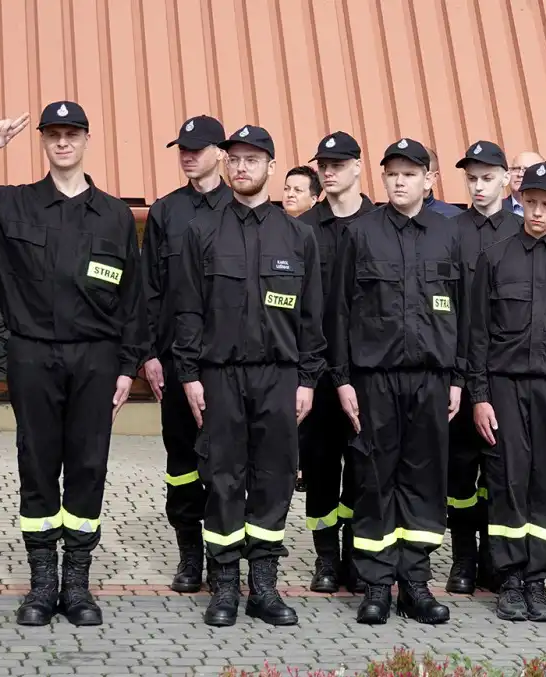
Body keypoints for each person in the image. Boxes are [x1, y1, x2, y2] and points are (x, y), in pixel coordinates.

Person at [0, 102, 147, 627]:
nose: (62, 142)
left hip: (97, 357)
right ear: (43, 142)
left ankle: (79, 585)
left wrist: (126, 368)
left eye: (71, 133)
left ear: (87, 139)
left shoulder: (113, 213)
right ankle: (43, 584)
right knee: (38, 464)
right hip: (32, 354)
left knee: (89, 466)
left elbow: (133, 300)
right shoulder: (9, 206)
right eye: (53, 135)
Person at [175, 125, 325, 627]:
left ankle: (263, 584)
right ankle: (223, 587)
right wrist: (190, 374)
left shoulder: (300, 236)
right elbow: (189, 309)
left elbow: (312, 317)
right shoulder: (203, 231)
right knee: (222, 478)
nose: (241, 168)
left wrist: (307, 380)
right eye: (234, 159)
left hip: (279, 377)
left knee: (275, 478)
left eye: (252, 160)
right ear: (224, 163)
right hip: (219, 376)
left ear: (271, 167)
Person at [328, 137, 467, 625]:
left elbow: (465, 312)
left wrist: (457, 378)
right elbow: (339, 311)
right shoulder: (361, 234)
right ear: (382, 179)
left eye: (410, 173)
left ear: (430, 180)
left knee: (424, 481)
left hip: (432, 379)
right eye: (392, 174)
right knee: (374, 479)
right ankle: (375, 585)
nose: (401, 181)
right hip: (374, 380)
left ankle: (415, 582)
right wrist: (342, 378)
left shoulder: (450, 236)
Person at [469, 161, 546, 622]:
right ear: (519, 200)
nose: (538, 212)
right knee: (507, 480)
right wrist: (479, 395)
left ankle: (537, 580)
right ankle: (508, 579)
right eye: (531, 203)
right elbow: (477, 335)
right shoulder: (496, 257)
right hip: (503, 387)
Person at [141, 115, 232, 594]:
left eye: (198, 148)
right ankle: (189, 555)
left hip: (227, 362)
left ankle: (224, 561)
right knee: (181, 462)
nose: (188, 155)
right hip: (175, 359)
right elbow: (149, 290)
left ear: (221, 152)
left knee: (225, 461)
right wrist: (150, 356)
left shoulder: (239, 209)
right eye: (182, 148)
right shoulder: (164, 212)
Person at [298, 131, 376, 595]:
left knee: (366, 469)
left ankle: (359, 557)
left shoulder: (380, 224)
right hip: (317, 370)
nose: (329, 171)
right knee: (322, 468)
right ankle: (327, 559)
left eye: (339, 163)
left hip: (368, 371)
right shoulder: (304, 227)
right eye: (323, 164)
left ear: (358, 167)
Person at [445, 140, 522, 595]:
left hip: (506, 370)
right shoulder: (450, 231)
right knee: (459, 473)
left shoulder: (522, 230)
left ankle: (497, 558)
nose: (478, 186)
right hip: (460, 366)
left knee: (502, 472)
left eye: (487, 178)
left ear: (506, 179)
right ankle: (462, 558)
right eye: (471, 178)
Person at [423, 147, 464, 218]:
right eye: (396, 174)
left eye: (409, 174)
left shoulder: (455, 217)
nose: (400, 181)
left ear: (432, 178)